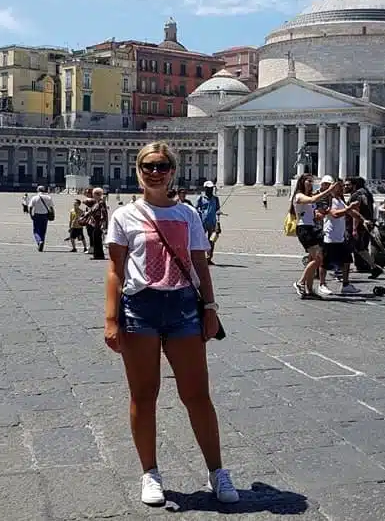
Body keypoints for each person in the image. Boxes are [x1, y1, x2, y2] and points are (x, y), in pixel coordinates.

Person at [104, 142, 237, 507]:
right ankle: (150, 473)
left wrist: (210, 308)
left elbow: (201, 265)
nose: (156, 172)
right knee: (144, 396)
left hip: (182, 307)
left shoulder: (188, 215)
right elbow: (115, 269)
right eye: (149, 166)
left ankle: (217, 471)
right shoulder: (124, 216)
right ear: (138, 170)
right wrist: (111, 319)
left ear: (173, 171)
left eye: (162, 166)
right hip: (140, 308)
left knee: (197, 395)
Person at [290, 173, 336, 298]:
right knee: (317, 258)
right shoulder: (299, 196)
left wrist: (320, 214)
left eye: (312, 181)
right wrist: (329, 190)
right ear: (302, 182)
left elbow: (313, 210)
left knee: (313, 259)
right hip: (304, 229)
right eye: (308, 181)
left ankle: (309, 290)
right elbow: (312, 200)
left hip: (311, 227)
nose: (310, 183)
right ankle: (300, 282)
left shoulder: (308, 196)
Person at [319, 178, 360, 296]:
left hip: (340, 237)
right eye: (339, 186)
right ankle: (322, 284)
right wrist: (349, 208)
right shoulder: (329, 200)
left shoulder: (340, 200)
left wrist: (362, 219)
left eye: (342, 186)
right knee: (325, 262)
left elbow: (350, 212)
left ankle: (346, 284)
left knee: (347, 260)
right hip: (330, 236)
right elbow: (335, 214)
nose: (342, 188)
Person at [196, 181, 222, 264]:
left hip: (212, 222)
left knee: (212, 240)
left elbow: (217, 209)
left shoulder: (215, 199)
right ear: (205, 188)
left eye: (211, 188)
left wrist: (218, 213)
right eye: (209, 188)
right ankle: (199, 257)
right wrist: (199, 212)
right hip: (202, 222)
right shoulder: (201, 198)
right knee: (200, 240)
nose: (210, 190)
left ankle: (209, 257)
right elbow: (196, 208)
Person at [28, 186, 54, 252]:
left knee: (36, 230)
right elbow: (51, 208)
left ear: (38, 190)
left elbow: (30, 207)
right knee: (43, 231)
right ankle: (42, 242)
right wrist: (53, 215)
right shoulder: (48, 197)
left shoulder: (34, 197)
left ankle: (39, 242)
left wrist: (31, 215)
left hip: (37, 215)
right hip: (45, 216)